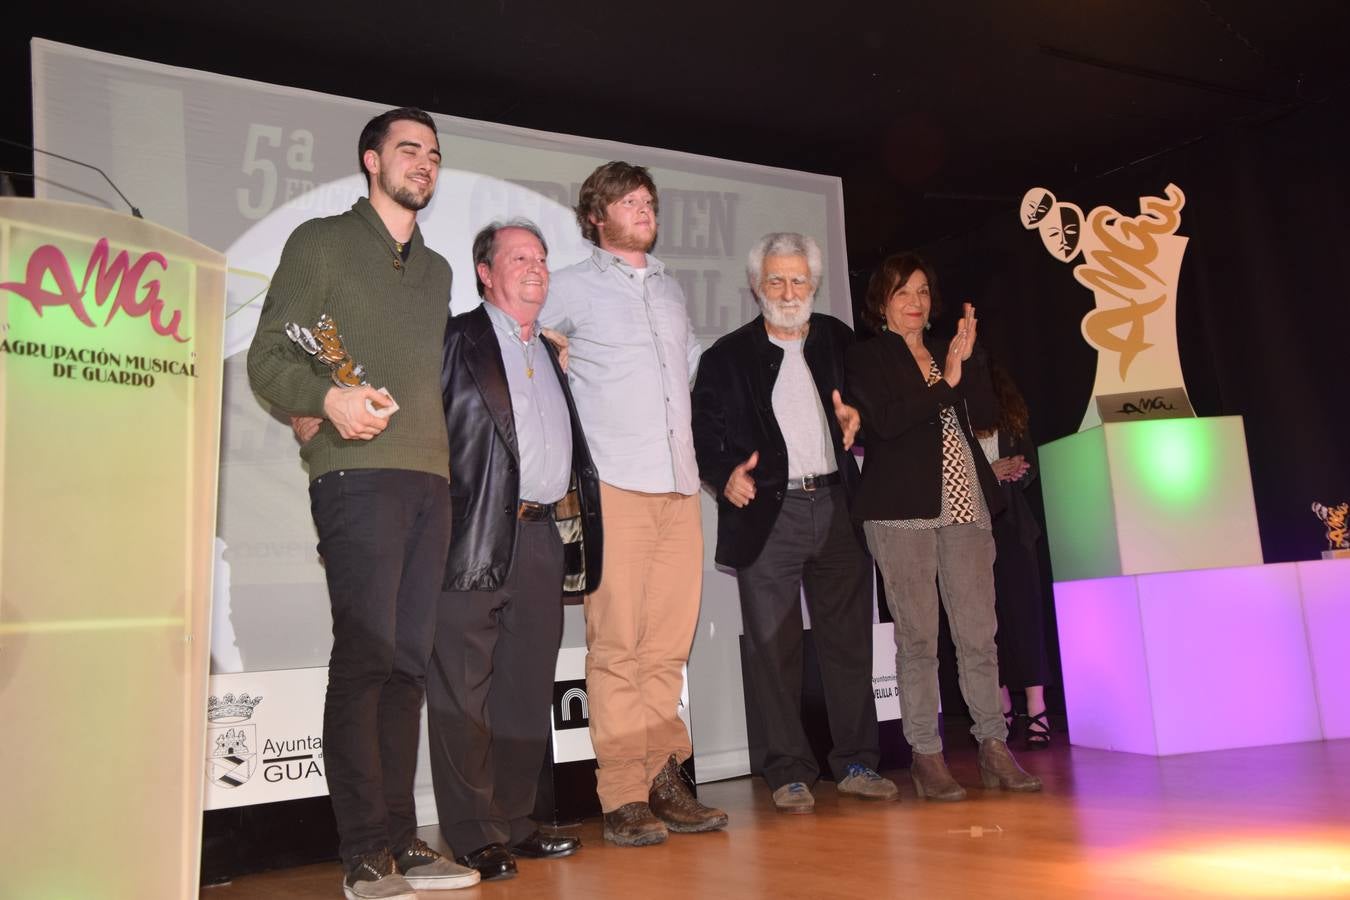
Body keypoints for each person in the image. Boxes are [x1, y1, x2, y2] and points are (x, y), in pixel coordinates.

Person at [246, 108, 479, 898]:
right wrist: (325, 399)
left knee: (409, 666)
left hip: (430, 480)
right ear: (371, 160)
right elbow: (269, 357)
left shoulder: (441, 270)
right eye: (409, 150)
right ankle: (362, 853)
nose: (425, 163)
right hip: (355, 476)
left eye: (434, 155)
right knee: (367, 659)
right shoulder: (320, 242)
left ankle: (402, 839)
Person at [539, 161, 727, 846]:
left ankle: (662, 778)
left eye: (648, 199)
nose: (644, 207)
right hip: (613, 483)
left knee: (668, 646)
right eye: (628, 200)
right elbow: (515, 339)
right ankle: (621, 792)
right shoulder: (568, 286)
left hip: (680, 486)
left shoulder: (672, 290)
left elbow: (699, 373)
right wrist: (543, 349)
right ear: (596, 215)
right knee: (618, 644)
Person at [691, 232, 897, 814]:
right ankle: (786, 771)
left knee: (849, 646)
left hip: (836, 509)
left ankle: (858, 762)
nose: (788, 291)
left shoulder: (838, 339)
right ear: (757, 287)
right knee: (771, 650)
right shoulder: (725, 357)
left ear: (814, 284)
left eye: (798, 280)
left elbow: (870, 405)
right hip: (768, 515)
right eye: (776, 280)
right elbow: (703, 434)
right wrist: (724, 474)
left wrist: (860, 414)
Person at [427, 219, 602, 880]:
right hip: (470, 529)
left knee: (526, 684)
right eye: (517, 257)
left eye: (540, 257)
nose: (535, 267)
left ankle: (517, 820)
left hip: (542, 535)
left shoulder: (552, 354)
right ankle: (472, 833)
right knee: (463, 687)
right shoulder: (455, 340)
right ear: (485, 272)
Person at [843, 252, 1041, 802]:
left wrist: (967, 362)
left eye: (924, 292)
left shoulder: (946, 356)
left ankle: (994, 747)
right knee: (919, 638)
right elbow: (883, 425)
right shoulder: (867, 358)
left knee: (980, 634)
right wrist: (945, 379)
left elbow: (978, 416)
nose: (915, 302)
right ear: (882, 303)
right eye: (903, 292)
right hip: (901, 509)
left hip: (967, 506)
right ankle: (926, 755)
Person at [970, 362, 1053, 749]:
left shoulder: (1012, 415)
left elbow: (1030, 465)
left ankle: (1037, 707)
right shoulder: (953, 414)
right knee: (986, 621)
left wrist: (1017, 469)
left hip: (1014, 526)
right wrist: (990, 472)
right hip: (970, 526)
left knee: (1025, 615)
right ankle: (1001, 703)